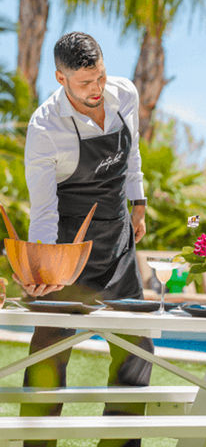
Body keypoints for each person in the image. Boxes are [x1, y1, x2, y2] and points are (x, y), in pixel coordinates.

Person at [18, 31, 153, 447]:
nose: (96, 90)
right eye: (84, 83)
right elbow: (43, 210)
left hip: (116, 242)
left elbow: (131, 156)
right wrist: (44, 268)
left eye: (99, 77)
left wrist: (138, 200)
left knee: (137, 349)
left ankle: (119, 444)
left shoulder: (123, 93)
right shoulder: (44, 128)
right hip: (66, 250)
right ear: (60, 78)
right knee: (49, 354)